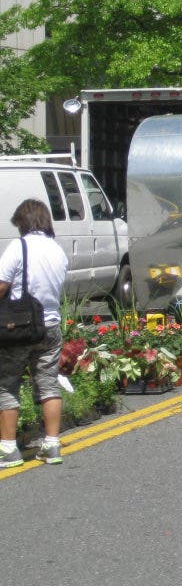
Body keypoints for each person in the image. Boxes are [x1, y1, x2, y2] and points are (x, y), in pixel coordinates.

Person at [0, 199, 70, 468]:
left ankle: (8, 449)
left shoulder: (19, 247)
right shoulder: (57, 250)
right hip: (50, 325)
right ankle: (52, 445)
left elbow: (2, 285)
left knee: (7, 383)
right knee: (48, 384)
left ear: (23, 222)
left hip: (18, 328)